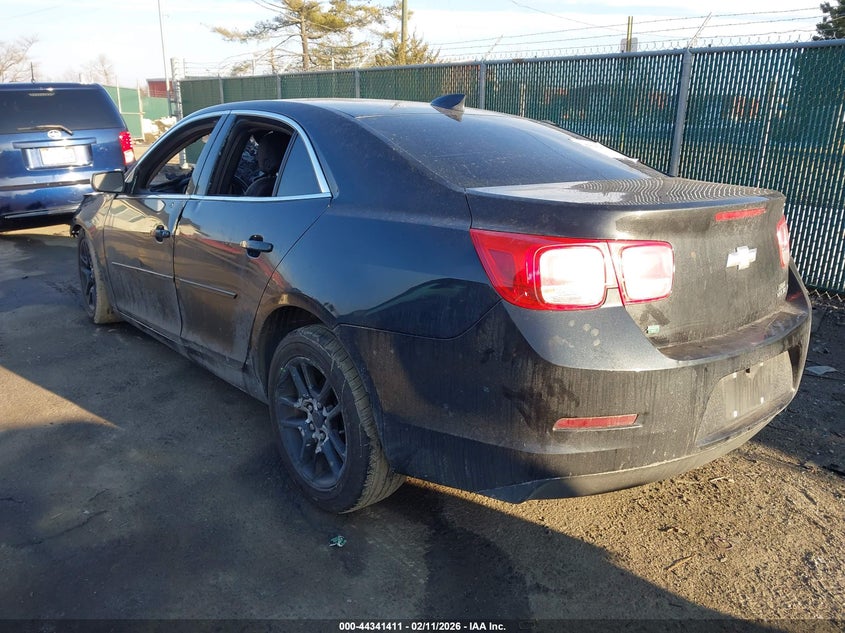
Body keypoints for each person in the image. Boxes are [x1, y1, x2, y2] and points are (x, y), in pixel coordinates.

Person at [244, 131, 287, 197]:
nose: (256, 158)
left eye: (258, 153)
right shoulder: (290, 183)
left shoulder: (259, 189)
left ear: (267, 162)